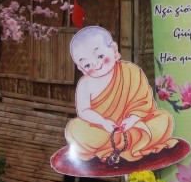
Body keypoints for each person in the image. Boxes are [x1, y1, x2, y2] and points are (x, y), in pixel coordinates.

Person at [65, 26, 178, 164]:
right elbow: (83, 111)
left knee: (164, 118)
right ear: (81, 68)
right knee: (74, 129)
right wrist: (103, 122)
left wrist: (132, 119)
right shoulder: (84, 84)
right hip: (103, 131)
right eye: (87, 65)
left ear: (114, 50)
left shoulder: (131, 71)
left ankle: (119, 146)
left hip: (133, 127)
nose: (96, 65)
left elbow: (143, 102)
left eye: (100, 56)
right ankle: (132, 144)